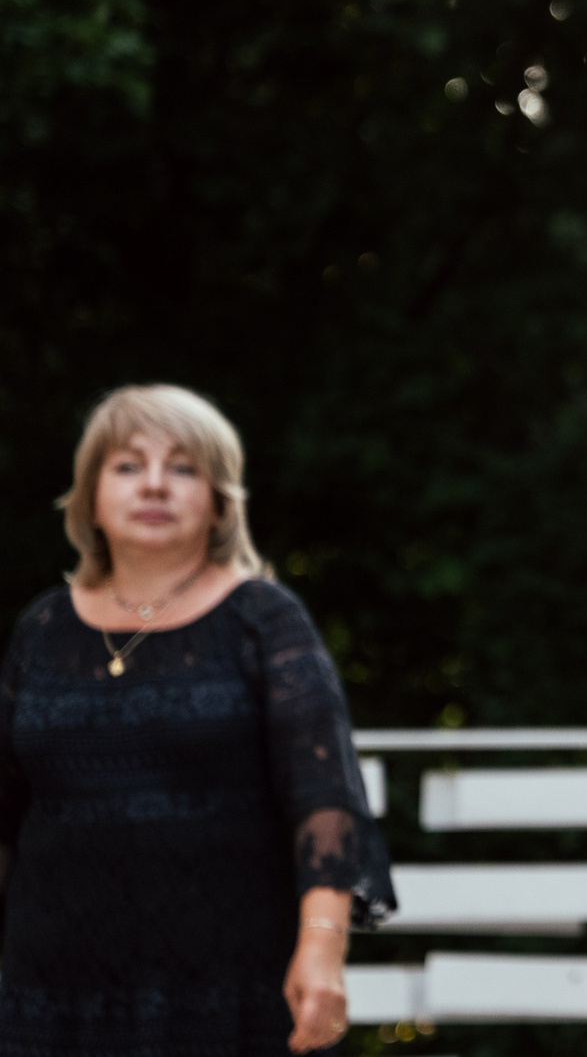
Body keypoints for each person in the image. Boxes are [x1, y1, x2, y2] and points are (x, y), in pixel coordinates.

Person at [0, 385, 394, 1057]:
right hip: (53, 996)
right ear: (90, 496)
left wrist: (322, 950)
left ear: (219, 502)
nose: (154, 484)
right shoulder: (40, 628)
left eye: (183, 468)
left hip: (230, 991)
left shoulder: (264, 619)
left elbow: (325, 802)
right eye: (128, 465)